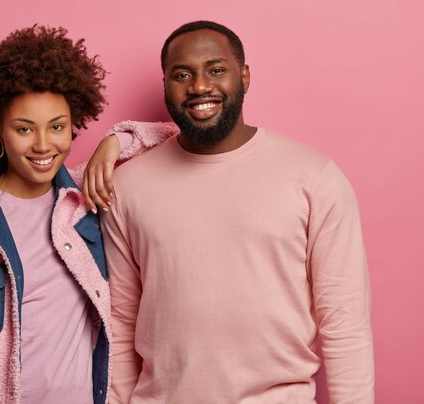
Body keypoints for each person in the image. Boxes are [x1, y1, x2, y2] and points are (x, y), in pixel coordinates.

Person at [101, 20, 374, 404]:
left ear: (244, 76)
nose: (199, 86)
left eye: (216, 70)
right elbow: (120, 322)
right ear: (165, 85)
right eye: (182, 74)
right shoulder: (126, 186)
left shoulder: (314, 178)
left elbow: (344, 322)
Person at [0, 25, 174, 404]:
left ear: (74, 124)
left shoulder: (83, 202)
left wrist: (113, 142)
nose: (44, 144)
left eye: (58, 127)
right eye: (24, 129)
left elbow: (173, 133)